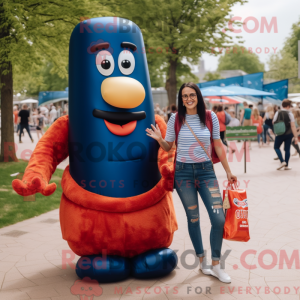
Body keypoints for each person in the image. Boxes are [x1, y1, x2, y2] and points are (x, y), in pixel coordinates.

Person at [146, 82, 237, 283]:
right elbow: (169, 146)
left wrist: (228, 171)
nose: (188, 99)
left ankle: (216, 264)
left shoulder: (210, 117)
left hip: (206, 173)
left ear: (198, 96)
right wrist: (159, 138)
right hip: (183, 174)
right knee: (193, 218)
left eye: (192, 95)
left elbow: (218, 145)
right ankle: (202, 262)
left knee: (218, 219)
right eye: (185, 96)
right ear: (181, 98)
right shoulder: (176, 119)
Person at [273, 99, 299, 170]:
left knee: (276, 147)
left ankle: (282, 161)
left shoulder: (278, 112)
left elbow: (273, 122)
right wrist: (296, 137)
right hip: (289, 134)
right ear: (288, 106)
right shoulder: (290, 113)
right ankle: (286, 165)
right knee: (287, 149)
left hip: (280, 133)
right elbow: (293, 126)